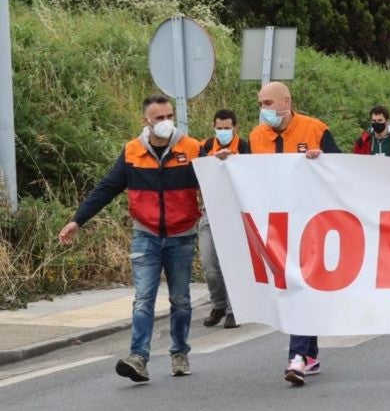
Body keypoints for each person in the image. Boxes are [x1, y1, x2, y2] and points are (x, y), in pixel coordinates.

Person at [58, 94, 202, 382]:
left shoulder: (193, 149)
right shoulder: (132, 152)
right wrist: (77, 220)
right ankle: (138, 357)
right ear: (145, 121)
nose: (165, 123)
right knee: (143, 299)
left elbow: (217, 184)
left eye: (169, 116)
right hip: (145, 235)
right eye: (159, 118)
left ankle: (179, 352)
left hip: (181, 236)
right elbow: (106, 188)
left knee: (181, 300)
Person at [248, 82, 340, 386]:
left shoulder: (315, 130)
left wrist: (322, 163)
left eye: (268, 103)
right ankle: (310, 354)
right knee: (296, 285)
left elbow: (341, 170)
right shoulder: (256, 136)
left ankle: (297, 356)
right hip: (275, 224)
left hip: (311, 221)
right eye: (261, 103)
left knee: (300, 283)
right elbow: (247, 174)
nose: (264, 110)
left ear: (286, 102)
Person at [198, 109, 250, 330]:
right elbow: (198, 172)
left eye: (227, 128)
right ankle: (218, 304)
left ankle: (233, 310)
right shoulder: (207, 147)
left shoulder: (246, 147)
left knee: (231, 263)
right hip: (210, 210)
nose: (223, 132)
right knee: (209, 263)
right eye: (219, 128)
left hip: (235, 211)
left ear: (235, 128)